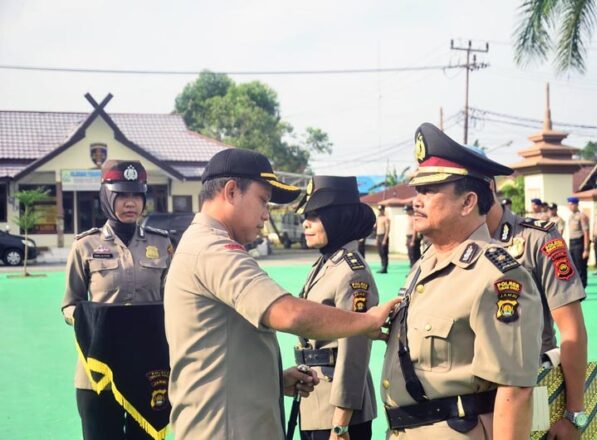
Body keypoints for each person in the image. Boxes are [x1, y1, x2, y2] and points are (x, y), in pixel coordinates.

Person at [163, 148, 401, 440]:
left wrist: (273, 381)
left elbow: (222, 351)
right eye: (263, 200)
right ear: (231, 191)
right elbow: (289, 313)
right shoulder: (213, 251)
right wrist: (367, 321)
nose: (266, 214)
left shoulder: (203, 244)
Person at [381, 123, 543, 439]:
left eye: (428, 191)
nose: (417, 200)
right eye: (417, 190)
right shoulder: (426, 264)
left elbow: (515, 391)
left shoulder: (497, 276)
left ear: (468, 202)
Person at [61, 160, 172, 440]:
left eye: (136, 195)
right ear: (107, 198)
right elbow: (70, 303)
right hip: (98, 370)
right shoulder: (85, 246)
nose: (130, 202)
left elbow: (173, 301)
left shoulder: (160, 244)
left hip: (148, 368)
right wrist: (93, 320)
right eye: (122, 195)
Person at [487, 192, 588, 440]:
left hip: (530, 387)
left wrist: (574, 414)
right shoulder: (449, 244)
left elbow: (571, 330)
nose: (420, 200)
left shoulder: (536, 238)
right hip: (470, 401)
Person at [295, 175, 378, 440]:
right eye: (306, 216)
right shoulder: (326, 263)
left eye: (315, 216)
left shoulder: (352, 272)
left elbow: (355, 352)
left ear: (338, 217)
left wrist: (340, 425)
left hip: (339, 411)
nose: (305, 223)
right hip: (314, 401)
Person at [566, 197, 590, 288]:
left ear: (576, 205)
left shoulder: (582, 216)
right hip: (572, 243)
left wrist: (586, 249)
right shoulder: (571, 216)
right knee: (573, 267)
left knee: (581, 267)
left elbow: (586, 232)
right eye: (569, 204)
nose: (570, 206)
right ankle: (576, 287)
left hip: (580, 243)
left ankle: (582, 287)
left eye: (572, 204)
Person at [376, 204, 390, 273]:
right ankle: (382, 266)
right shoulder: (378, 218)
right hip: (379, 236)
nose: (380, 211)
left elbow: (387, 229)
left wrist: (385, 239)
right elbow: (377, 228)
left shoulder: (386, 218)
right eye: (379, 210)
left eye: (381, 210)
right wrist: (376, 238)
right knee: (380, 252)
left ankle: (385, 267)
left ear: (383, 210)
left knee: (384, 253)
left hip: (383, 236)